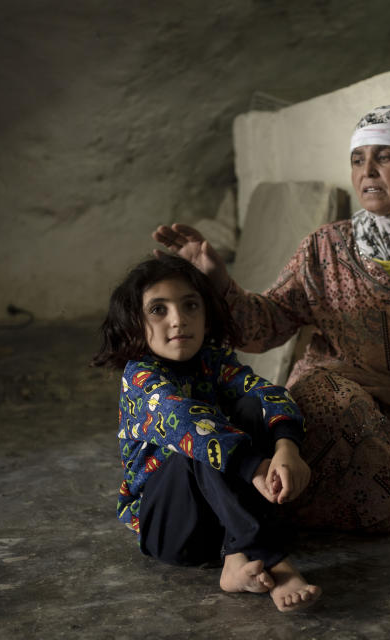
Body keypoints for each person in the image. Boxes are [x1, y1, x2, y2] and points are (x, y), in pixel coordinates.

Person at [153, 105, 390, 534]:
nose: (367, 171)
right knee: (322, 406)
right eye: (358, 159)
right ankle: (236, 520)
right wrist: (218, 280)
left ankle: (247, 522)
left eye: (385, 156)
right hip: (326, 413)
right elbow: (262, 326)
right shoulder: (326, 248)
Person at [92, 254, 321, 612]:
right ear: (135, 323)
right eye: (158, 310)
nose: (178, 320)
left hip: (219, 516)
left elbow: (268, 394)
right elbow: (183, 420)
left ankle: (235, 556)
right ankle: (272, 560)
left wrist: (286, 448)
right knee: (196, 438)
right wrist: (256, 467)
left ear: (205, 312)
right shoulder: (140, 377)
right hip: (172, 530)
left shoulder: (211, 360)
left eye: (190, 305)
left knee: (248, 407)